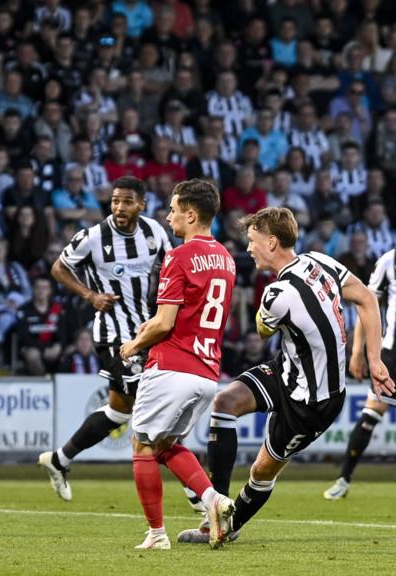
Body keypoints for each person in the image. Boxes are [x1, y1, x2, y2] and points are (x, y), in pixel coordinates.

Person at [177, 207, 393, 545]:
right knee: (224, 402)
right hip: (286, 370)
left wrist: (369, 357)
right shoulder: (321, 261)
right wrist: (373, 359)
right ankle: (214, 512)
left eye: (252, 241)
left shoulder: (276, 296)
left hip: (314, 402)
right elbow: (365, 298)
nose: (248, 248)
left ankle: (229, 529)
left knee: (262, 470)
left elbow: (263, 329)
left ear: (272, 242)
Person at [118, 178, 238, 550]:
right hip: (206, 373)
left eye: (172, 209)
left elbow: (165, 322)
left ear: (191, 213)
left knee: (141, 445)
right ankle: (213, 500)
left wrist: (133, 344)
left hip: (172, 365)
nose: (168, 216)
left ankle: (156, 534)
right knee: (166, 444)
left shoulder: (179, 256)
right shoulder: (227, 258)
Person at [38, 177, 171, 501]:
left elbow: (171, 268)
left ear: (142, 203)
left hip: (144, 333)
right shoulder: (94, 237)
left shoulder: (154, 232)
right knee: (153, 403)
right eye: (115, 201)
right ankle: (198, 494)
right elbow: (59, 267)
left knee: (119, 411)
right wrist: (89, 295)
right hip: (112, 335)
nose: (119, 208)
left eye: (127, 201)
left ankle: (60, 458)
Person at [324, 247, 396, 500]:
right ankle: (343, 478)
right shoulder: (389, 261)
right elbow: (367, 301)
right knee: (370, 415)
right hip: (393, 353)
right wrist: (358, 351)